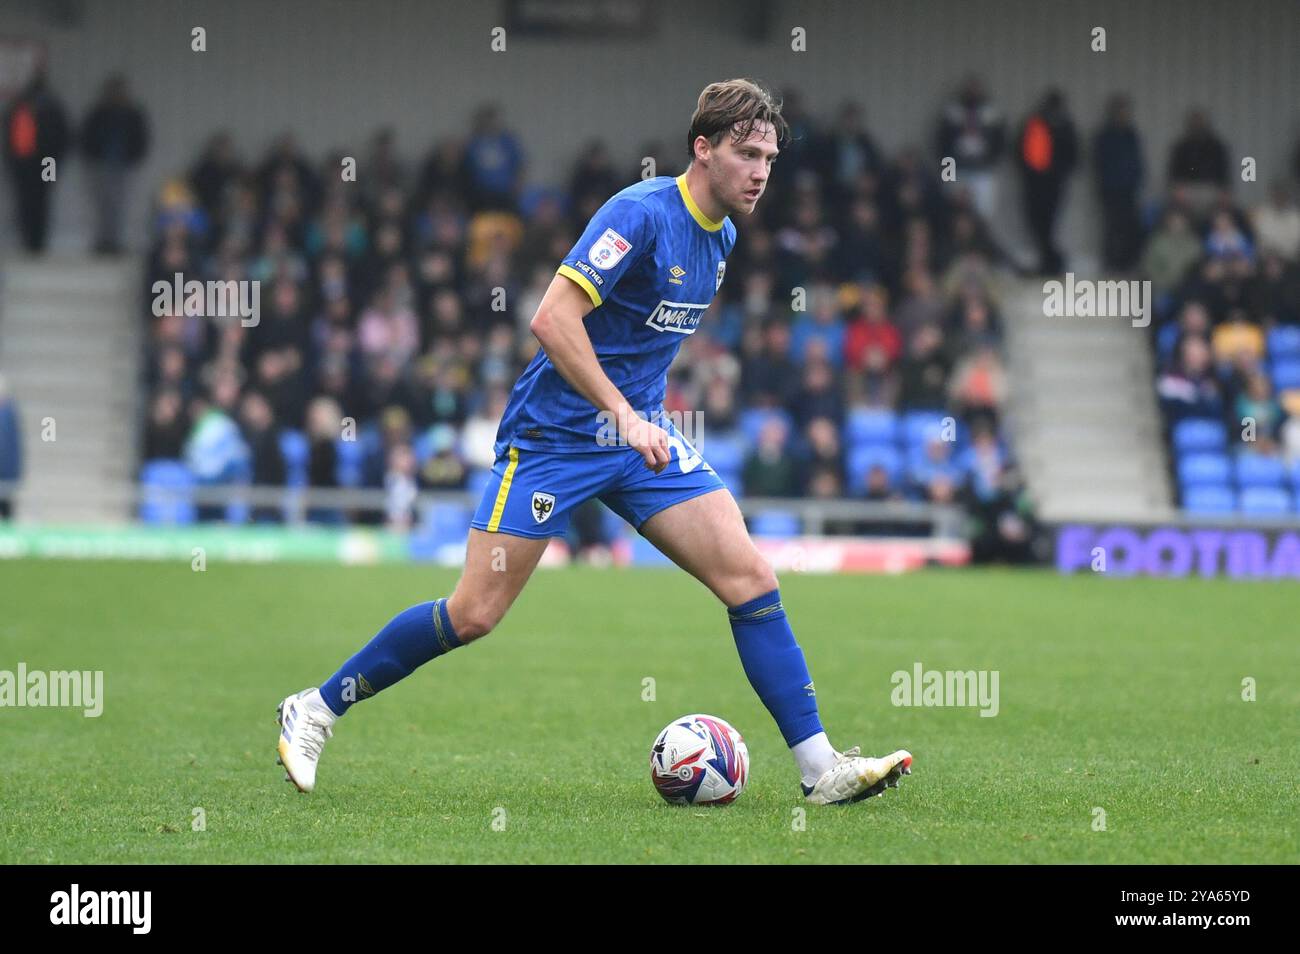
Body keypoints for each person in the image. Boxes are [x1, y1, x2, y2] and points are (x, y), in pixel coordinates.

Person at [276, 79, 912, 805]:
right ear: (701, 150)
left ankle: (819, 767)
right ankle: (317, 707)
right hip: (553, 437)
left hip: (640, 440)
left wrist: (641, 417)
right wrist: (623, 411)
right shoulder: (637, 214)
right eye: (746, 153)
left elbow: (642, 338)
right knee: (474, 613)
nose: (761, 170)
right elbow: (552, 318)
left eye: (769, 155)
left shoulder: (726, 236)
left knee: (750, 579)